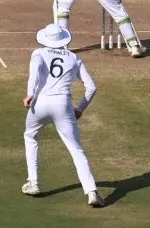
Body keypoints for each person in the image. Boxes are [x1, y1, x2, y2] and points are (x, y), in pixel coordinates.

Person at [22, 23, 105, 208]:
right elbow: (91, 87)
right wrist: (80, 108)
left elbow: (34, 72)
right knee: (76, 149)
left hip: (40, 103)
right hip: (63, 105)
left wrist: (30, 93)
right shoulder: (74, 58)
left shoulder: (38, 53)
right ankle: (92, 192)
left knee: (30, 136)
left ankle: (33, 183)